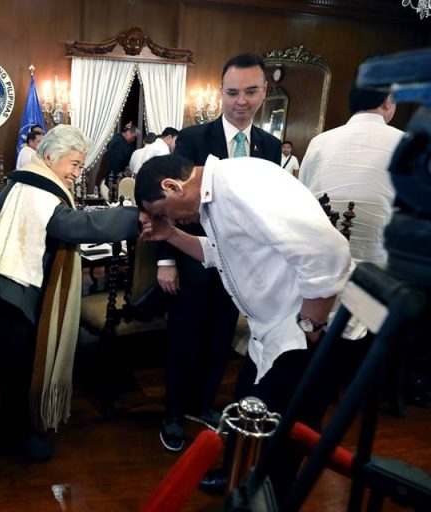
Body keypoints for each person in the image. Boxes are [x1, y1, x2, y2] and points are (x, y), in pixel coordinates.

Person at [136, 153, 352, 499]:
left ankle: (268, 498)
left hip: (299, 330)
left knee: (284, 432)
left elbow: (328, 253)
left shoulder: (242, 185)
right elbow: (217, 253)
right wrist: (170, 233)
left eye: (162, 212)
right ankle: (238, 476)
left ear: (172, 186)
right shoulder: (217, 195)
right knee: (246, 406)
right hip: (269, 329)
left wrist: (311, 323)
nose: (167, 218)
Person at [0, 124, 139, 461]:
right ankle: (16, 434)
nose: (78, 173)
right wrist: (139, 215)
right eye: (74, 164)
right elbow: (79, 226)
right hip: (8, 291)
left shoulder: (24, 179)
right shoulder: (40, 189)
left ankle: (11, 423)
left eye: (81, 166)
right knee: (19, 365)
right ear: (49, 157)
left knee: (16, 362)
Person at [157, 53, 282, 453]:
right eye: (232, 92)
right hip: (193, 259)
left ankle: (204, 404)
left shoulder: (270, 146)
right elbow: (165, 201)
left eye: (249, 92)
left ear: (263, 91)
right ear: (221, 93)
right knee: (184, 338)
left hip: (241, 267)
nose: (240, 101)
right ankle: (173, 413)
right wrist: (165, 260)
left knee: (220, 339)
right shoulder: (193, 139)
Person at [300, 84, 403, 264]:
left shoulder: (319, 142)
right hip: (378, 271)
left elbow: (302, 198)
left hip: (318, 264)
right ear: (388, 101)